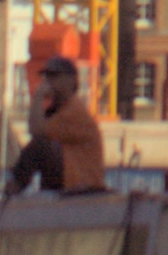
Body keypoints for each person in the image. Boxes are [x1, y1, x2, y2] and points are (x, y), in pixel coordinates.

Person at [9, 52, 107, 195]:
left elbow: (36, 130)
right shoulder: (58, 111)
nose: (47, 81)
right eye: (46, 76)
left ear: (71, 80)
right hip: (70, 178)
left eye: (54, 76)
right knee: (43, 147)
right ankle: (37, 195)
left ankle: (12, 190)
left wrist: (38, 97)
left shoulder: (74, 111)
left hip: (83, 184)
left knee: (41, 146)